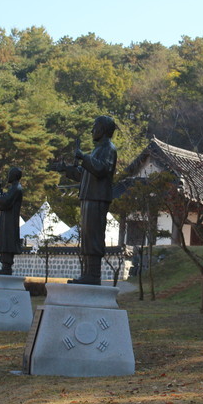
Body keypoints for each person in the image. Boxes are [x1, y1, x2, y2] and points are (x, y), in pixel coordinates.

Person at [48, 115, 118, 285]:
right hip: (89, 196)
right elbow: (84, 174)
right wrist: (67, 169)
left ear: (102, 129)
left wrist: (83, 157)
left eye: (95, 126)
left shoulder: (109, 148)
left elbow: (101, 169)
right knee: (87, 236)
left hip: (98, 198)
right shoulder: (97, 150)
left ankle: (93, 275)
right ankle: (87, 273)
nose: (92, 130)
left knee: (93, 235)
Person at [0, 167, 24, 275]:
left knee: (8, 241)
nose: (8, 176)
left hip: (10, 220)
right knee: (5, 240)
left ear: (14, 176)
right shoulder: (13, 188)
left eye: (9, 174)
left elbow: (6, 201)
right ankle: (4, 266)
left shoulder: (17, 188)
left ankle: (7, 267)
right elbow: (5, 197)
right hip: (6, 218)